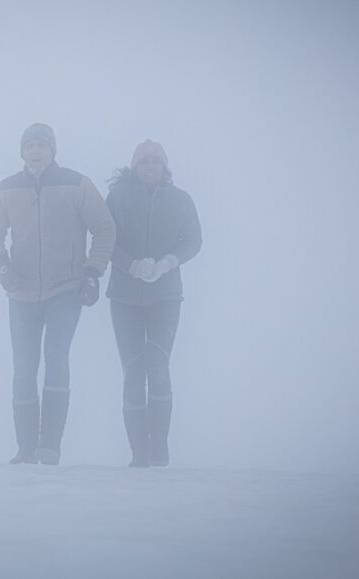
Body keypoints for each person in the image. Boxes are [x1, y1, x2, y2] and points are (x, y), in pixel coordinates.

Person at [0, 123, 116, 465]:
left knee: (56, 358)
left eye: (42, 145)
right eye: (30, 146)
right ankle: (26, 448)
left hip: (65, 289)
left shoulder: (76, 184)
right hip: (21, 290)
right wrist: (0, 263)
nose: (36, 151)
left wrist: (92, 272)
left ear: (53, 150)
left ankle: (49, 446)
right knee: (23, 366)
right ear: (22, 152)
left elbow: (104, 227)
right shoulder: (7, 188)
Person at [105, 140, 202, 467]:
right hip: (124, 297)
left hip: (166, 296)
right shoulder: (118, 198)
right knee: (133, 372)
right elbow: (106, 239)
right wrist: (131, 265)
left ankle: (159, 447)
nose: (149, 167)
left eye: (155, 162)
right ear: (135, 167)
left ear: (164, 168)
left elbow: (193, 240)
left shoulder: (181, 200)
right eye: (144, 162)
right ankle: (138, 453)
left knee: (158, 369)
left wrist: (166, 263)